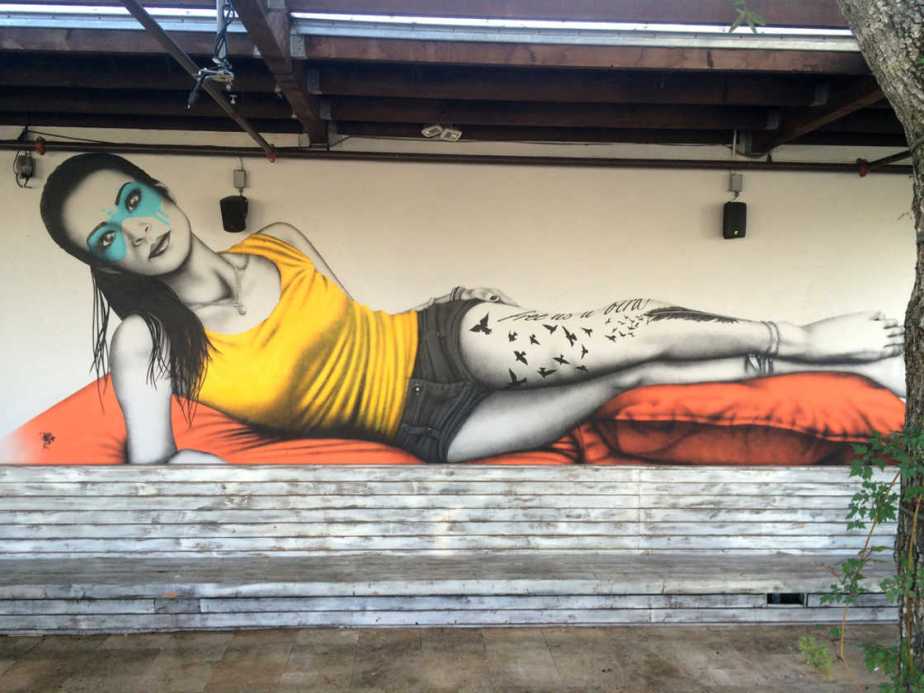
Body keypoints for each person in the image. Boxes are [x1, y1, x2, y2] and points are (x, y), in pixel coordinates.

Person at [39, 153, 906, 464]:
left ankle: (802, 339)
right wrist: (196, 468)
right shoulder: (145, 339)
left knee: (615, 332)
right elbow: (149, 462)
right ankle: (771, 358)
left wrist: (464, 306)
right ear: (103, 265)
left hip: (445, 344)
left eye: (131, 202)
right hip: (429, 432)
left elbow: (363, 326)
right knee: (620, 377)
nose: (135, 231)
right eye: (107, 238)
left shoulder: (282, 241)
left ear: (158, 190)